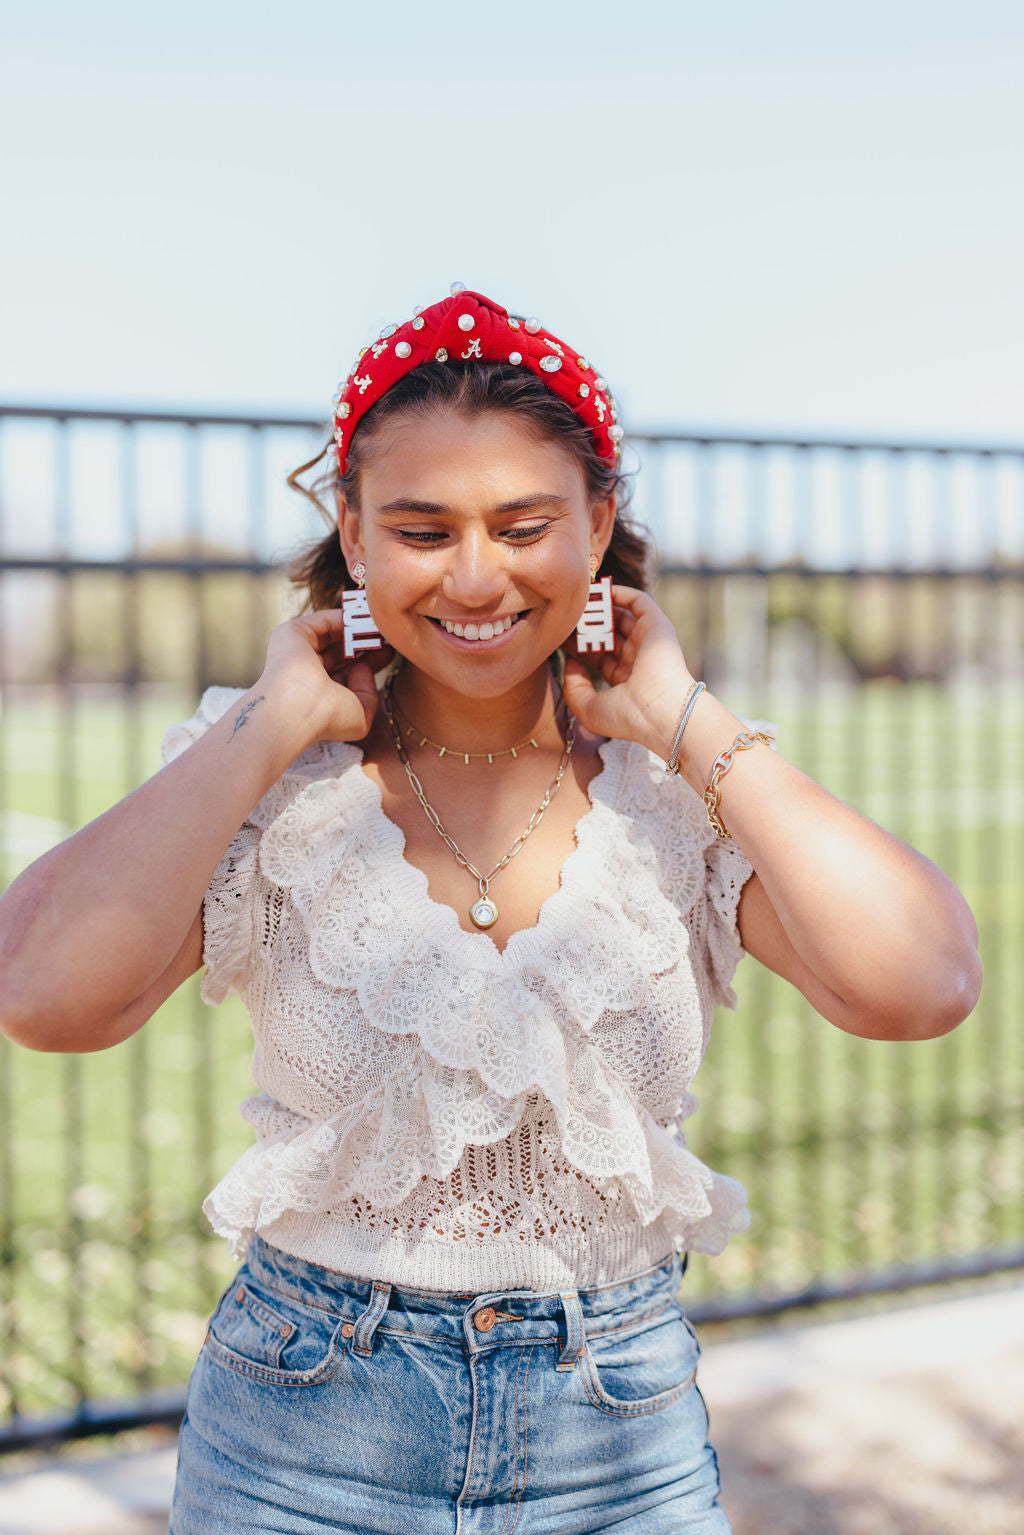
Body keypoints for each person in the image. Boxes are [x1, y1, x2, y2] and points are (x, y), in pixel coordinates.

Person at [0, 286, 982, 1533]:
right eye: (421, 529)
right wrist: (270, 720)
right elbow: (39, 992)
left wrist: (691, 721)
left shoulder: (674, 794)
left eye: (524, 524)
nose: (476, 576)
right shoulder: (277, 780)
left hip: (618, 1437)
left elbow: (923, 983)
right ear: (350, 534)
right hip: (303, 1436)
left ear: (600, 523)